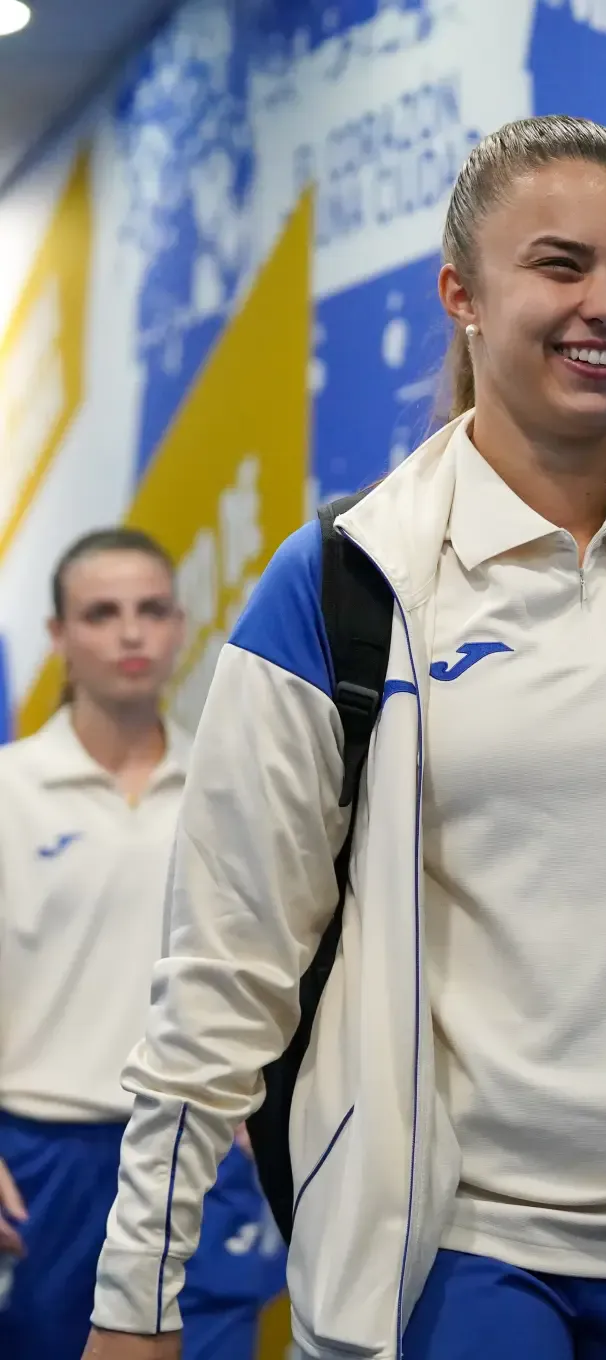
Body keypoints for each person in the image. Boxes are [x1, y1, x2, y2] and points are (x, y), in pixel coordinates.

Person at [83, 116, 606, 1360]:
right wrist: (138, 1297)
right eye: (560, 265)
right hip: (450, 1260)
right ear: (462, 294)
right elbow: (227, 971)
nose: (605, 305)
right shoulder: (346, 586)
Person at [0, 528, 283, 1358]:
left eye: (152, 610)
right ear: (58, 635)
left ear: (180, 626)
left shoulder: (231, 790)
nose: (131, 633)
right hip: (40, 1163)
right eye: (101, 613)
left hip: (200, 1152)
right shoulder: (10, 792)